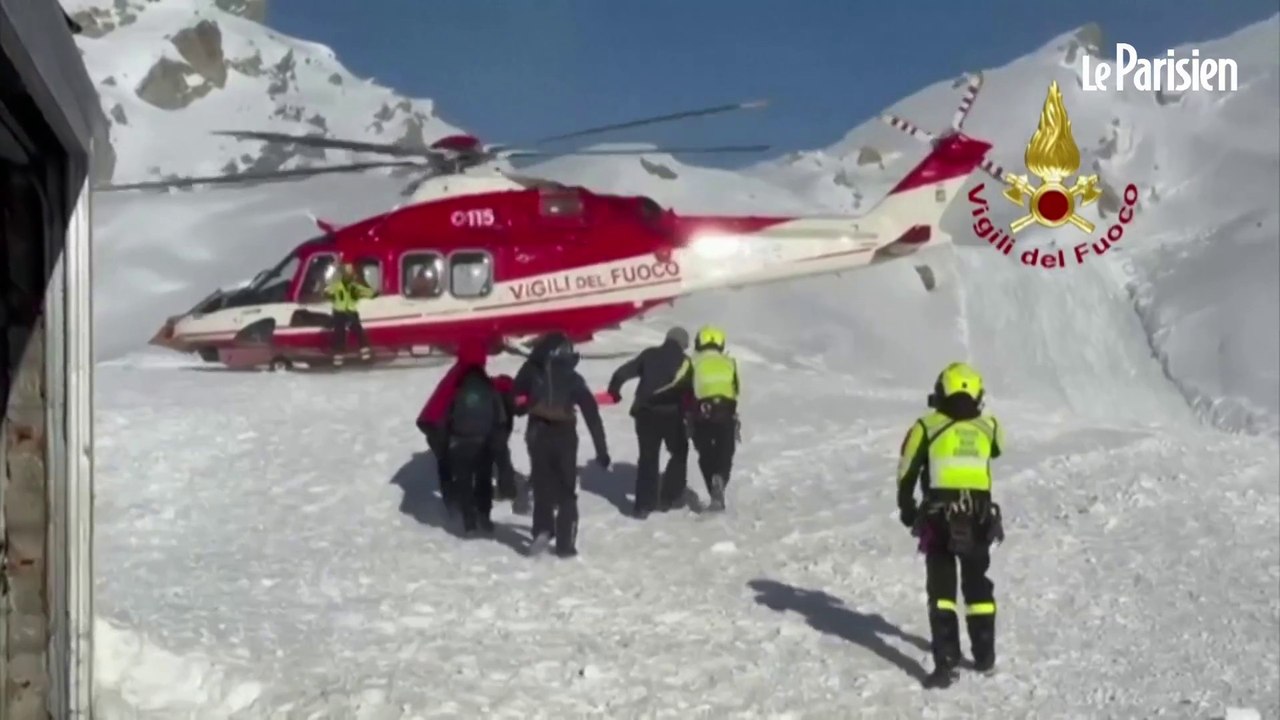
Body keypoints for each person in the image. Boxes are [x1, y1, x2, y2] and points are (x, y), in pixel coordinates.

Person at [896, 361, 1006, 689]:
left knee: (941, 589)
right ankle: (984, 655)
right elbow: (998, 449)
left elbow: (907, 471)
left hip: (937, 518)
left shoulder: (926, 427)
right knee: (977, 585)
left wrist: (906, 508)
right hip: (979, 517)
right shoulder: (989, 428)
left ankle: (946, 662)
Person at [513, 331, 610, 558]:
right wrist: (601, 450)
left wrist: (525, 404)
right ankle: (565, 546)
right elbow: (591, 414)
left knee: (542, 484)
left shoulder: (530, 370)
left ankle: (542, 532)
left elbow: (515, 403)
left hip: (537, 434)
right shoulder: (573, 378)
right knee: (567, 490)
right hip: (565, 437)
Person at [647, 325, 740, 512]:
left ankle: (713, 489)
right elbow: (736, 389)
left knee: (705, 454)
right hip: (726, 412)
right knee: (725, 452)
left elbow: (678, 384)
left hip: (701, 414)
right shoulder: (730, 362)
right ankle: (719, 481)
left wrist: (654, 396)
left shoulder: (692, 362)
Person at [605, 326, 691, 518]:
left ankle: (643, 506)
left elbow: (622, 372)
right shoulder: (685, 363)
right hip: (671, 416)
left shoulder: (649, 354)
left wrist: (614, 391)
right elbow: (690, 393)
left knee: (648, 458)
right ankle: (670, 496)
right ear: (683, 344)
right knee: (679, 452)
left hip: (645, 414)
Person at [415, 338, 491, 515]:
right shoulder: (469, 375)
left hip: (431, 420)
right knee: (449, 459)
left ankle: (455, 498)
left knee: (449, 459)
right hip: (438, 422)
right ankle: (453, 502)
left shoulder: (461, 370)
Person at [443, 354, 508, 534]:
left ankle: (468, 520)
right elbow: (500, 419)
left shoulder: (456, 392)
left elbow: (447, 417)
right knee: (483, 481)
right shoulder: (491, 391)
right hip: (483, 443)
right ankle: (484, 516)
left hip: (460, 443)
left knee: (464, 482)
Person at [325, 262, 376, 362]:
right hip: (344, 312)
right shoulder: (347, 286)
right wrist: (374, 293)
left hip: (343, 311)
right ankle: (358, 353)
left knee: (348, 331)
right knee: (347, 331)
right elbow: (368, 292)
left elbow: (327, 292)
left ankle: (342, 356)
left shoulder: (344, 286)